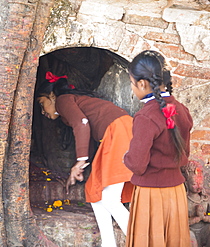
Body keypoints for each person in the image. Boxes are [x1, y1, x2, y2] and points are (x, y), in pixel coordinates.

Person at [36, 71, 134, 247]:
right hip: (119, 133)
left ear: (52, 96)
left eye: (42, 104)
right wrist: (79, 166)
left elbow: (82, 123)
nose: (43, 111)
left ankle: (140, 241)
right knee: (94, 193)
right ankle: (108, 243)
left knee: (110, 199)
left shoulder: (63, 100)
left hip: (118, 132)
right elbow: (85, 132)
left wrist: (80, 162)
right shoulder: (68, 106)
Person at [124, 50, 193, 247]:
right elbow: (184, 153)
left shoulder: (146, 116)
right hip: (176, 193)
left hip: (151, 194)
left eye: (131, 83)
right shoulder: (182, 110)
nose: (132, 88)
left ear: (143, 84)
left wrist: (126, 158)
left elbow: (137, 164)